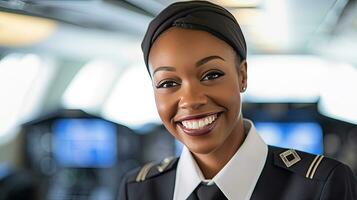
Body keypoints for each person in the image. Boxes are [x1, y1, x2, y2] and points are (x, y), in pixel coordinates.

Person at [118, 1, 357, 199]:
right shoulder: (138, 189)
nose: (190, 100)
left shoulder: (321, 185)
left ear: (242, 76)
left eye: (211, 75)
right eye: (168, 83)